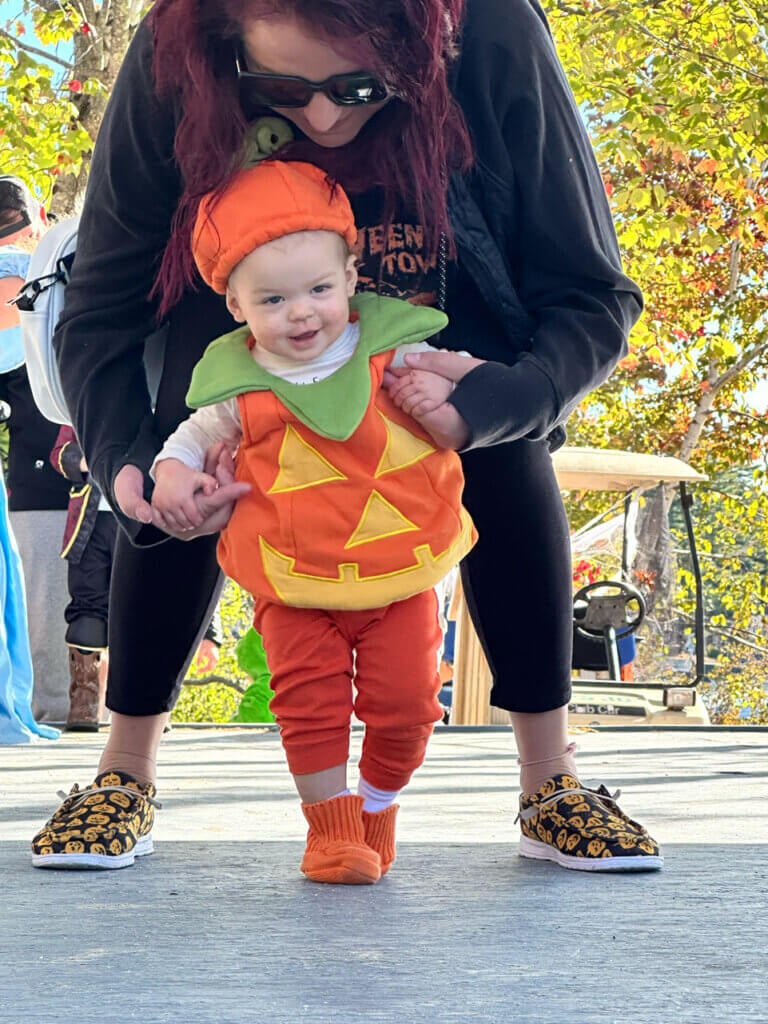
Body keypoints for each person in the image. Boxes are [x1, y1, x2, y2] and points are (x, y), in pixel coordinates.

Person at [34, 0, 663, 873]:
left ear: (425, 44)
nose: (324, 119)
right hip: (239, 297)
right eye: (283, 89)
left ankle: (549, 778)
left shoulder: (490, 32)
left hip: (446, 295)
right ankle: (123, 771)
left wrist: (512, 397)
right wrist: (125, 461)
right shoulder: (178, 46)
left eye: (363, 86)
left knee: (492, 419)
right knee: (192, 439)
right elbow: (101, 307)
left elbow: (594, 295)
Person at [148, 158, 475, 883]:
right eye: (272, 299)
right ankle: (330, 833)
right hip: (293, 584)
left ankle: (378, 809)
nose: (301, 313)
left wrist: (456, 399)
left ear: (353, 280)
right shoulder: (239, 385)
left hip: (398, 578)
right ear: (235, 305)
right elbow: (189, 440)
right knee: (309, 706)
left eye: (320, 290)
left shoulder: (395, 353)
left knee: (408, 708)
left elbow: (465, 380)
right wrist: (173, 476)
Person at [0, 176, 72, 725]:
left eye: (18, 229)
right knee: (40, 598)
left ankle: (67, 707)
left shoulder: (67, 262)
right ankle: (47, 709)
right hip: (35, 477)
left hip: (92, 462)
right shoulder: (23, 276)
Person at [49, 425, 117, 731]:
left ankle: (145, 708)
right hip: (90, 523)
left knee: (142, 608)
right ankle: (85, 704)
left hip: (144, 517)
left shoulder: (161, 391)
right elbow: (60, 453)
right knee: (87, 608)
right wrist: (84, 461)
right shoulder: (82, 397)